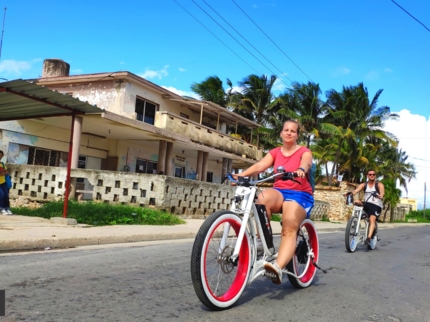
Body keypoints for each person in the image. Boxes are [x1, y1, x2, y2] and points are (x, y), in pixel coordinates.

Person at [232, 119, 314, 285]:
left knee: (289, 225)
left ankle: (277, 267)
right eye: (286, 130)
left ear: (297, 135)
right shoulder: (276, 152)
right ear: (281, 133)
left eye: (293, 131)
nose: (289, 133)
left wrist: (301, 170)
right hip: (280, 191)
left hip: (299, 193)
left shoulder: (304, 151)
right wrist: (241, 176)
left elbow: (306, 162)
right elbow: (260, 166)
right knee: (262, 199)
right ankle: (264, 245)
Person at [349, 169, 384, 245]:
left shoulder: (379, 184)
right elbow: (356, 190)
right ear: (367, 176)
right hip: (367, 204)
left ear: (375, 176)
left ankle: (368, 238)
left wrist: (380, 195)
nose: (372, 175)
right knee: (357, 201)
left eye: (373, 174)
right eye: (370, 174)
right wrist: (351, 193)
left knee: (372, 219)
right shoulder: (364, 185)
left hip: (376, 205)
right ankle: (354, 223)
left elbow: (382, 191)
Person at [0, 150, 12, 215]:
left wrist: (3, 172)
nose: (0, 156)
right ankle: (1, 208)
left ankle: (7, 208)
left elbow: (6, 172)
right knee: (1, 195)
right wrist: (2, 172)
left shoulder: (2, 164)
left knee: (6, 195)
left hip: (3, 182)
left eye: (1, 155)